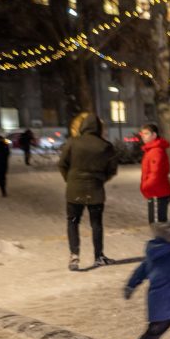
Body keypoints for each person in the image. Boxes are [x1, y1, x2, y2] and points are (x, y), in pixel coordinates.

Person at [59, 112, 118, 271]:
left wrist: (70, 179)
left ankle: (74, 255)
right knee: (96, 224)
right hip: (96, 189)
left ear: (83, 126)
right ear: (98, 127)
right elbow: (112, 169)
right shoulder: (105, 146)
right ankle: (99, 256)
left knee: (73, 221)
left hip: (74, 189)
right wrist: (100, 179)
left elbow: (62, 164)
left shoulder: (73, 142)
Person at [138, 123, 170, 224]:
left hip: (157, 192)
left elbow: (155, 173)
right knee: (158, 224)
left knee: (157, 224)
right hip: (156, 192)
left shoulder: (155, 151)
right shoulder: (151, 150)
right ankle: (161, 239)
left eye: (146, 133)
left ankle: (162, 240)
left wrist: (146, 186)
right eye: (142, 133)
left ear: (154, 135)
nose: (143, 136)